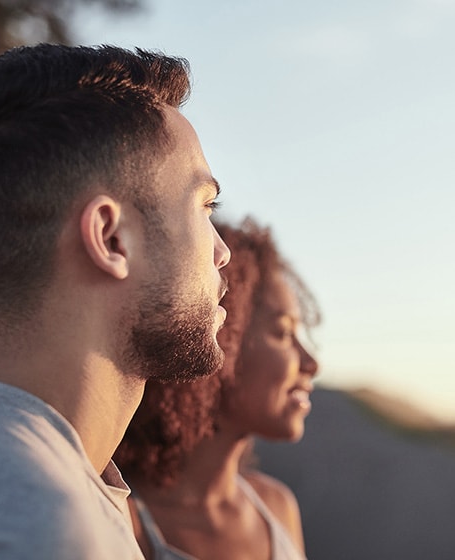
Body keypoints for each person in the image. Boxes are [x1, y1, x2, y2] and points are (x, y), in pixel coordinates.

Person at [0, 44, 231, 559]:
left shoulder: (63, 484)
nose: (223, 252)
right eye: (204, 206)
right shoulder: (35, 519)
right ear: (111, 238)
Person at [115, 217, 320, 560]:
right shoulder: (124, 520)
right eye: (283, 333)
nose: (311, 362)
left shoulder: (277, 508)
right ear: (222, 337)